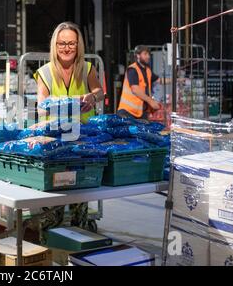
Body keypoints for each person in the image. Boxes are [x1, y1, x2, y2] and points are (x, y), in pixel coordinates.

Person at [34, 22, 105, 234]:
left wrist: (93, 96)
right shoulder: (45, 73)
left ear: (78, 45)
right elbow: (41, 106)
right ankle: (49, 240)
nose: (66, 48)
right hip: (54, 142)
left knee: (79, 194)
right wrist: (56, 105)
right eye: (62, 43)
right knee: (53, 195)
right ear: (55, 46)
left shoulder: (88, 68)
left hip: (82, 140)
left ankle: (79, 241)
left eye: (71, 43)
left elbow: (99, 92)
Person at [117, 45, 164, 119]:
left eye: (148, 54)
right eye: (145, 54)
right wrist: (151, 101)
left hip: (141, 112)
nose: (148, 56)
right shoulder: (132, 69)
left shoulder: (148, 70)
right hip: (128, 112)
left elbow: (159, 80)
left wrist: (177, 79)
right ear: (138, 55)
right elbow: (135, 89)